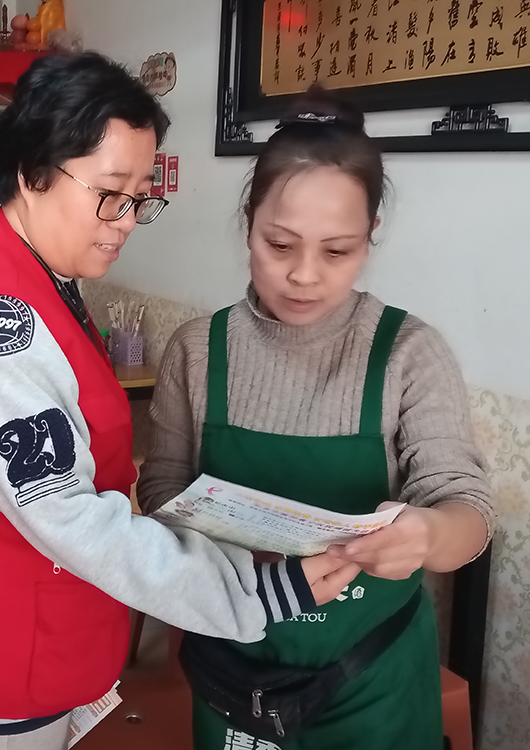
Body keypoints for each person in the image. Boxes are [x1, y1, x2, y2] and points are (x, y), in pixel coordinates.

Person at [0, 53, 360, 750]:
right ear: (32, 173)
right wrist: (259, 593)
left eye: (139, 198)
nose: (126, 220)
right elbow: (68, 516)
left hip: (18, 648)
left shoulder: (36, 276)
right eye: (109, 193)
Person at [138, 85, 494, 749]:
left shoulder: (409, 353)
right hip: (234, 673)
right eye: (280, 245)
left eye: (337, 251)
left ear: (369, 236)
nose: (304, 275)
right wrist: (227, 543)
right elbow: (162, 492)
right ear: (249, 223)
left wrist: (428, 534)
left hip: (373, 681)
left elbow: (466, 509)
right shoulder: (198, 350)